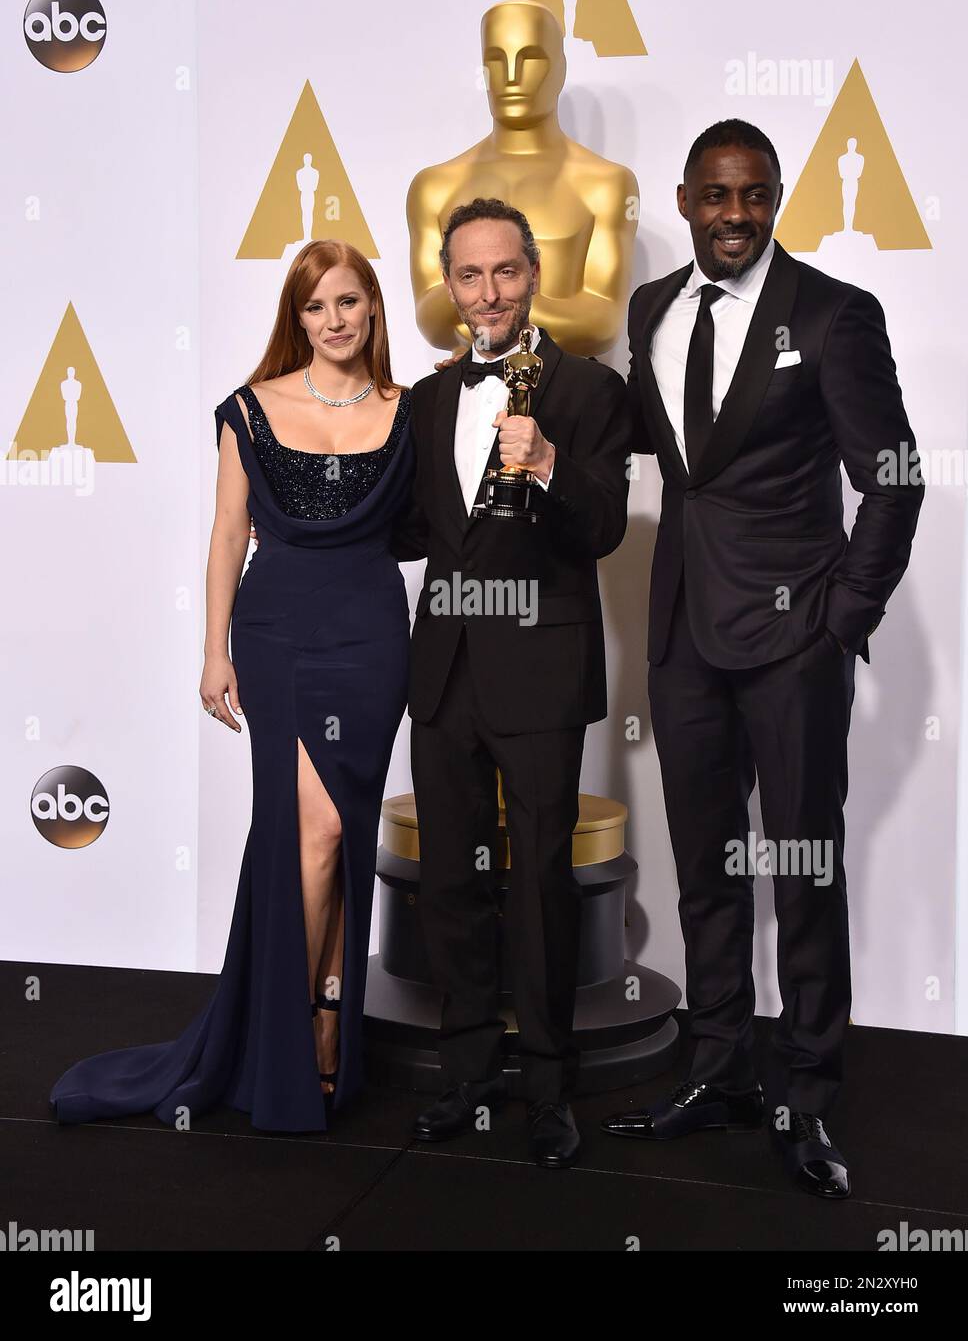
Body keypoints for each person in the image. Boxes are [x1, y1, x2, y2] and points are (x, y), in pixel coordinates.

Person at [602, 120, 924, 1198]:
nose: (733, 215)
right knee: (703, 867)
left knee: (799, 867)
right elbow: (664, 446)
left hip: (792, 640)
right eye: (714, 196)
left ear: (774, 198)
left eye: (753, 197)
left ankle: (805, 1096)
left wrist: (841, 616)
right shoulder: (650, 311)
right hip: (682, 634)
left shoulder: (833, 315)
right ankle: (718, 1070)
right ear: (684, 199)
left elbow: (892, 475)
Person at [49, 240, 414, 1132]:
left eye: (349, 301)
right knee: (313, 832)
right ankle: (288, 1041)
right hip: (276, 633)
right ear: (296, 319)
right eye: (315, 307)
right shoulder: (249, 409)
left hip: (370, 635)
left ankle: (323, 1024)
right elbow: (226, 533)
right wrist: (215, 650)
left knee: (340, 833)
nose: (335, 320)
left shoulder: (414, 408)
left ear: (372, 309)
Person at [392, 197, 633, 1168]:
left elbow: (605, 525)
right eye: (467, 274)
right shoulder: (422, 400)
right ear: (448, 287)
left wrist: (544, 466)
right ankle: (464, 1073)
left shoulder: (586, 392)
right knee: (449, 878)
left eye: (503, 271)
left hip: (537, 667)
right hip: (443, 669)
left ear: (532, 274)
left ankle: (544, 1085)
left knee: (536, 882)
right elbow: (412, 532)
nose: (486, 291)